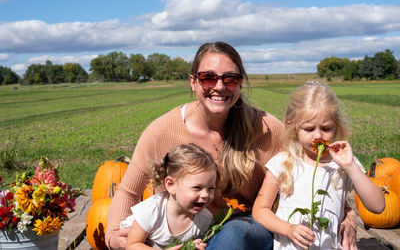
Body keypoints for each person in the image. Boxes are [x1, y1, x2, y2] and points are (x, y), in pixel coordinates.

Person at [105, 41, 358, 250]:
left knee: (234, 233)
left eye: (230, 79)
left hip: (247, 231)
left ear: (240, 83)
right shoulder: (162, 131)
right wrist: (114, 234)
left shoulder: (266, 129)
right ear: (194, 82)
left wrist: (348, 214)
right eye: (208, 78)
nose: (218, 86)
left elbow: (312, 167)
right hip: (181, 233)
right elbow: (128, 191)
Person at [252, 81, 385, 249]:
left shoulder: (341, 165)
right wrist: (288, 229)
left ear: (336, 126)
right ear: (292, 127)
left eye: (326, 128)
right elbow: (260, 210)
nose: (318, 136)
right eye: (309, 129)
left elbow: (378, 206)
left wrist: (351, 167)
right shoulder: (283, 163)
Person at [122, 144, 218, 250]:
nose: (205, 195)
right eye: (197, 187)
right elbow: (132, 245)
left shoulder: (204, 219)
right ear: (171, 185)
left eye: (211, 188)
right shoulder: (152, 211)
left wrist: (194, 245)